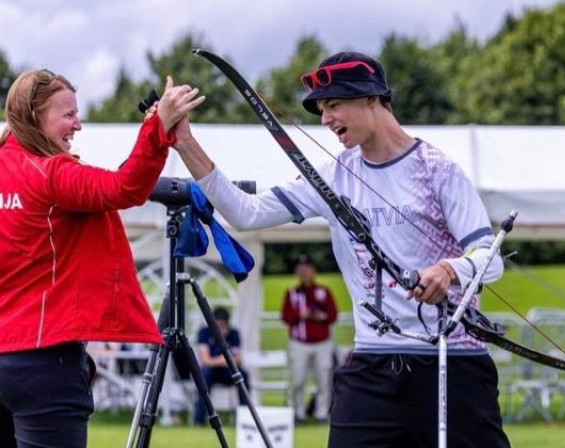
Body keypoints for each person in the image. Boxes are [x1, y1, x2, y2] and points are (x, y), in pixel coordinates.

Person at [172, 51, 510, 448]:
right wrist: (185, 143)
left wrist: (450, 270)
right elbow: (245, 213)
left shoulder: (438, 170)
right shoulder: (334, 176)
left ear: (372, 99)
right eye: (321, 109)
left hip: (452, 362)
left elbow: (490, 258)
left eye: (334, 105)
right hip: (372, 365)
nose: (325, 119)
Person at [0, 69, 204, 448]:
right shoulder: (51, 172)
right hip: (44, 362)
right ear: (33, 116)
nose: (77, 125)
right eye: (68, 115)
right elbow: (123, 188)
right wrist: (157, 129)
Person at [281, 254, 339, 423]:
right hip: (299, 342)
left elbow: (333, 315)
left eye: (307, 268)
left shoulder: (323, 291)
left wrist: (321, 316)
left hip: (322, 342)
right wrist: (301, 314)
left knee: (323, 379)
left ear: (313, 270)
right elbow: (285, 317)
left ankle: (321, 413)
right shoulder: (291, 294)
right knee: (297, 380)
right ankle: (298, 413)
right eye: (301, 268)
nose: (304, 272)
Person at [193, 306, 250, 426]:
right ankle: (199, 419)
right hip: (212, 370)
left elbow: (238, 358)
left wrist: (227, 361)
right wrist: (222, 360)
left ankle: (245, 417)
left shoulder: (233, 334)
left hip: (228, 371)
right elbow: (205, 360)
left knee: (243, 375)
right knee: (204, 377)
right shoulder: (205, 333)